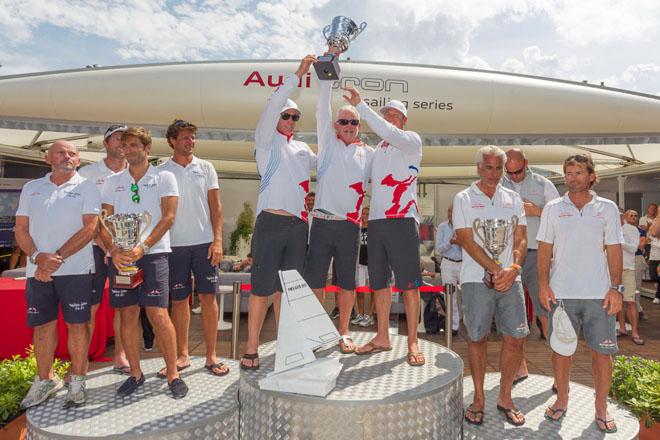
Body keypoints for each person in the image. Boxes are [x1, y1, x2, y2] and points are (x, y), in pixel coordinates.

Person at [538, 153, 624, 433]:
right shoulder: (552, 207)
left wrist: (615, 288)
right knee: (562, 352)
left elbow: (614, 248)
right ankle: (562, 399)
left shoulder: (607, 208)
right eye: (569, 173)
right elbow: (544, 248)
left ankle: (601, 407)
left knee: (602, 354)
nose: (572, 178)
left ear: (591, 176)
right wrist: (543, 284)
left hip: (599, 294)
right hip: (561, 293)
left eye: (578, 173)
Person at [100, 127, 188, 399]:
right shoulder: (112, 181)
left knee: (158, 314)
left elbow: (168, 217)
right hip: (122, 258)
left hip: (155, 255)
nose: (128, 149)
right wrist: (113, 249)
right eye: (124, 145)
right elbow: (102, 222)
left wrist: (144, 247)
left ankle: (172, 373)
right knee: (127, 314)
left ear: (147, 148)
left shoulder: (165, 177)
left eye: (134, 144)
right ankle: (136, 374)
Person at [241, 56, 317, 370]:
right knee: (262, 288)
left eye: (295, 117)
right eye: (286, 115)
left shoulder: (302, 149)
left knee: (289, 291)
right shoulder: (265, 141)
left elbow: (330, 165)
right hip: (270, 223)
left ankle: (287, 344)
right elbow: (272, 105)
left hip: (298, 226)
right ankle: (252, 348)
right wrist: (298, 74)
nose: (290, 120)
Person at [343, 87, 425, 366]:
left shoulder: (411, 141)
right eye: (385, 114)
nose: (388, 119)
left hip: (402, 221)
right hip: (376, 222)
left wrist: (361, 106)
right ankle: (382, 336)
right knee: (379, 282)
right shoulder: (377, 150)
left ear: (403, 120)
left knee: (409, 285)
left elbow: (386, 132)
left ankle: (412, 341)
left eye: (393, 115)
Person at [16, 140, 100, 408]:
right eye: (61, 152)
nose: (67, 157)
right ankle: (45, 380)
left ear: (78, 160)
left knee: (77, 325)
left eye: (73, 154)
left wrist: (57, 258)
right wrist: (38, 258)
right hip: (37, 270)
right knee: (42, 327)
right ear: (47, 158)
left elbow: (91, 229)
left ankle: (77, 379)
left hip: (75, 270)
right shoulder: (31, 188)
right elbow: (20, 229)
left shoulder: (87, 186)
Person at [453, 146, 528, 427]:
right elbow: (465, 239)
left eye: (499, 168)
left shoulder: (513, 197)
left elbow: (521, 237)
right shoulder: (463, 197)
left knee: (515, 338)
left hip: (511, 279)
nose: (494, 174)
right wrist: (497, 270)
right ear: (478, 168)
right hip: (475, 279)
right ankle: (479, 398)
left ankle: (505, 397)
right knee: (477, 338)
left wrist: (514, 268)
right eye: (489, 168)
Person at [303, 65, 374, 354]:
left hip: (350, 227)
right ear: (334, 125)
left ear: (359, 127)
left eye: (353, 123)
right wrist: (326, 76)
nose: (348, 125)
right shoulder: (327, 145)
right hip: (321, 223)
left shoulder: (368, 154)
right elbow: (322, 107)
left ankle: (343, 333)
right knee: (315, 282)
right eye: (343, 121)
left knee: (347, 283)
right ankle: (318, 334)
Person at [158, 119, 229, 378]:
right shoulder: (161, 171)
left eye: (193, 137)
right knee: (179, 300)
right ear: (173, 141)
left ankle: (211, 356)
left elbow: (216, 207)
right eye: (185, 137)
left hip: (204, 244)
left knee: (209, 298)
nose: (190, 141)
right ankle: (182, 355)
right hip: (173, 246)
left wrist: (218, 240)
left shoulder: (206, 167)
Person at [502, 148, 560, 383]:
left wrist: (537, 210)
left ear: (526, 163)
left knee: (545, 313)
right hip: (508, 255)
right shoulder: (499, 185)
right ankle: (521, 366)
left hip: (537, 253)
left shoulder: (544, 183)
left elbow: (560, 213)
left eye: (518, 171)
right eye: (510, 172)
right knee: (512, 314)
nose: (514, 176)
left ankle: (559, 375)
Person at [78, 124, 131, 375]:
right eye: (117, 138)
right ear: (106, 143)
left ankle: (120, 356)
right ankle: (82, 361)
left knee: (123, 304)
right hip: (95, 249)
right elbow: (86, 215)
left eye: (126, 139)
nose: (122, 143)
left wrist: (121, 248)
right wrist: (106, 245)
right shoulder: (87, 173)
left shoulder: (137, 171)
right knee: (92, 306)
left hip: (127, 251)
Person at [617, 209, 644, 344]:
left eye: (618, 215)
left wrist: (618, 240)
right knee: (618, 301)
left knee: (631, 302)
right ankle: (622, 328)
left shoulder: (632, 230)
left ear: (622, 216)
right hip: (612, 271)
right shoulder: (607, 228)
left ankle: (635, 332)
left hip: (628, 270)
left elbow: (634, 249)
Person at [434, 203, 461, 336]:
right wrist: (450, 242)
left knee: (469, 295)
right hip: (448, 263)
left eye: (453, 211)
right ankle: (453, 326)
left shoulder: (464, 226)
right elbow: (439, 249)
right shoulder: (442, 227)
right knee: (450, 296)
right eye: (449, 211)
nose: (450, 214)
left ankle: (470, 324)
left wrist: (462, 243)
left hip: (464, 263)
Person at [352, 206, 375, 327]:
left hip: (372, 263)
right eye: (363, 214)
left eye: (367, 214)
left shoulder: (375, 229)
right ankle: (361, 314)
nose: (365, 216)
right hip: (360, 263)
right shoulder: (358, 229)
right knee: (359, 289)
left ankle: (370, 315)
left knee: (373, 289)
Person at [629, 211, 648, 319]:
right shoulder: (620, 230)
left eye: (635, 216)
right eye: (631, 215)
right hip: (623, 259)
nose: (634, 217)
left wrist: (628, 245)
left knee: (636, 285)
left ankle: (638, 308)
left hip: (637, 259)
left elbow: (640, 246)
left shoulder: (641, 231)